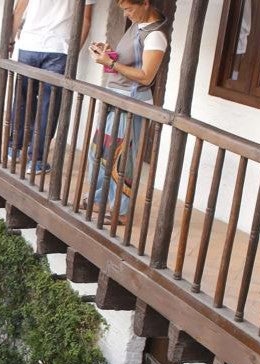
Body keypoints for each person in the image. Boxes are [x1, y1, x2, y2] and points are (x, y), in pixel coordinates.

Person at [85, 0, 167, 224]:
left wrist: (111, 65)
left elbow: (146, 75)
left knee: (121, 159)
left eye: (130, 9)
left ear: (146, 4)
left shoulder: (155, 36)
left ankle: (120, 210)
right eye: (124, 10)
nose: (127, 14)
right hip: (117, 98)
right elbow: (130, 61)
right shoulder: (136, 26)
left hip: (132, 103)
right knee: (99, 153)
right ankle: (100, 199)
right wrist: (109, 55)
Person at [9, 0, 94, 172]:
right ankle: (36, 161)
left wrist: (9, 42)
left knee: (23, 99)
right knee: (49, 106)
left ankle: (14, 148)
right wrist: (73, 52)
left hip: (30, 44)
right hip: (59, 48)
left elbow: (18, 10)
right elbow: (85, 19)